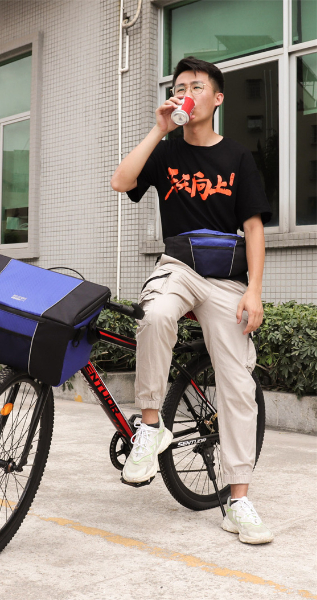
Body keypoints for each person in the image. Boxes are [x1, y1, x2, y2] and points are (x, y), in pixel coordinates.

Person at [111, 56, 274, 544]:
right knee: (156, 314)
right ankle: (150, 426)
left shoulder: (239, 157)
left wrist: (254, 291)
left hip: (226, 280)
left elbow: (253, 229)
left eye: (197, 86)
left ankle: (238, 500)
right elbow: (121, 181)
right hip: (179, 267)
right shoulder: (166, 152)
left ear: (217, 98)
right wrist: (158, 129)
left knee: (237, 386)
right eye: (180, 87)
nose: (186, 93)